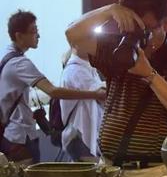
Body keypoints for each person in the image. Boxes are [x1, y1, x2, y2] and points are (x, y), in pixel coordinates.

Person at [65, 0, 167, 176]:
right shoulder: (118, 48)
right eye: (133, 29)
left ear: (165, 24)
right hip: (110, 168)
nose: (140, 37)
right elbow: (73, 35)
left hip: (155, 170)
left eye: (147, 30)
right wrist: (110, 10)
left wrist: (150, 75)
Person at [1, 11, 104, 164]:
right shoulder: (19, 63)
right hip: (19, 136)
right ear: (19, 36)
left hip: (15, 134)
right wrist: (94, 94)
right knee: (25, 176)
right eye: (33, 31)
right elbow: (53, 91)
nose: (38, 35)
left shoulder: (8, 56)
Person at [60, 48, 106, 161]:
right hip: (81, 136)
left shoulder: (88, 70)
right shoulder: (75, 70)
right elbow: (101, 94)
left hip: (83, 135)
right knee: (90, 170)